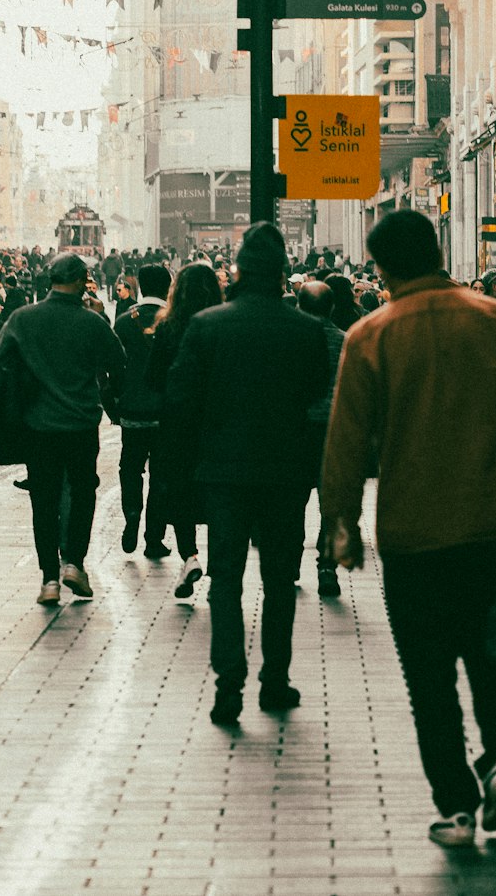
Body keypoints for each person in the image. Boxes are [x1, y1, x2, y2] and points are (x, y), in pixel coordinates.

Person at [321, 210, 496, 849]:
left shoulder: (368, 336)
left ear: (382, 267)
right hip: (490, 526)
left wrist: (340, 526)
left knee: (427, 675)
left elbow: (345, 446)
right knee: (489, 653)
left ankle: (455, 805)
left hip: (411, 533)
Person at [164, 222, 329, 727]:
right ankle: (274, 679)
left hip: (224, 472)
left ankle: (228, 683)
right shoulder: (306, 329)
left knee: (226, 579)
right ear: (282, 270)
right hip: (284, 473)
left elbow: (180, 403)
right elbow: (316, 398)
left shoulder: (208, 325)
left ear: (238, 268)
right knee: (280, 580)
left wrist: (181, 474)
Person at [0, 252, 124, 606]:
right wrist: (99, 318)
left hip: (38, 426)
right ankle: (75, 564)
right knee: (83, 492)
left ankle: (49, 577)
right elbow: (117, 359)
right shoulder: (91, 322)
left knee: (44, 500)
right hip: (80, 423)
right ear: (81, 282)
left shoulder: (22, 319)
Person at [149, 261, 224, 598]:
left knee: (179, 488)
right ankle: (221, 565)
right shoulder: (225, 325)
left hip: (177, 424)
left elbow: (153, 378)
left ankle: (189, 556)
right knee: (218, 492)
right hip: (217, 423)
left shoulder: (168, 328)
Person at [111, 263, 172, 560]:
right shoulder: (176, 321)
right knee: (161, 473)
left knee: (130, 467)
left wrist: (115, 402)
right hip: (165, 412)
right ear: (167, 286)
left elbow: (112, 367)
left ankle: (132, 513)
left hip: (132, 409)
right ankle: (154, 537)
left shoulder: (123, 321)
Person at [295, 281, 346, 598]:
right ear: (331, 308)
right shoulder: (344, 341)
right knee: (331, 504)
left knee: (291, 502)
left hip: (297, 431)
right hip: (333, 429)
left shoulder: (289, 339)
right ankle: (327, 566)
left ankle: (289, 563)